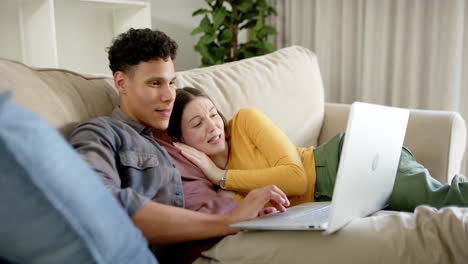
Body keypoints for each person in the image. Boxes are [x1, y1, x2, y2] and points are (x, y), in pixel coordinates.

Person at [68, 28, 289, 262]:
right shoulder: (102, 133)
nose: (169, 96)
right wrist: (229, 221)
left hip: (242, 231)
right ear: (121, 82)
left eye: (172, 82)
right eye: (155, 83)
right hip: (211, 249)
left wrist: (251, 214)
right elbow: (99, 204)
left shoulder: (175, 136)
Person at [168, 87, 468, 212]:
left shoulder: (245, 121)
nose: (212, 125)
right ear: (181, 140)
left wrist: (221, 175)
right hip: (329, 204)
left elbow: (296, 178)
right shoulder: (205, 188)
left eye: (212, 113)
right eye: (196, 123)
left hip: (344, 160)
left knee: (441, 199)